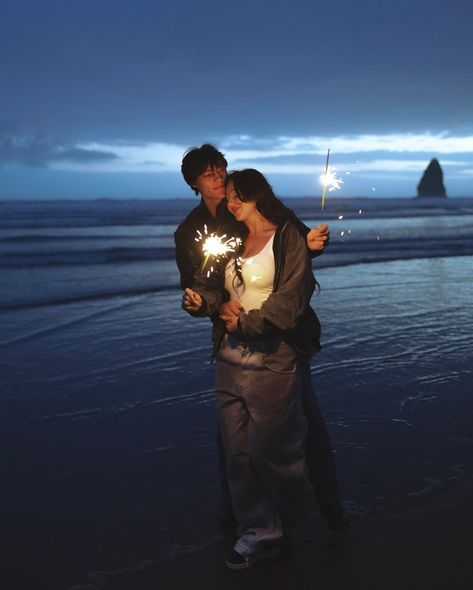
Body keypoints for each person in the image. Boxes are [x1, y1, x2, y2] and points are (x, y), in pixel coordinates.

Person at [174, 145, 350, 536]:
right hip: (234, 341)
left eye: (220, 167)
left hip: (286, 337)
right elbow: (197, 285)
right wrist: (213, 307)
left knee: (305, 423)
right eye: (208, 173)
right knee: (233, 438)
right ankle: (237, 511)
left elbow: (293, 250)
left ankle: (327, 505)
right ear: (194, 183)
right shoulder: (191, 232)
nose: (219, 177)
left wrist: (314, 245)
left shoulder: (255, 206)